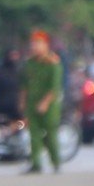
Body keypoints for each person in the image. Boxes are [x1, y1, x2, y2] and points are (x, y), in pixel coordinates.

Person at [21, 33, 64, 174]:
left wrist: (45, 103)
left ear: (46, 45)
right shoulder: (30, 63)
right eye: (34, 43)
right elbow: (25, 85)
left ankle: (56, 162)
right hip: (32, 104)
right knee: (34, 135)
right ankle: (36, 164)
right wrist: (22, 102)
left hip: (49, 106)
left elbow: (54, 87)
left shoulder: (53, 63)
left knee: (50, 135)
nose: (35, 47)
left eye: (39, 43)